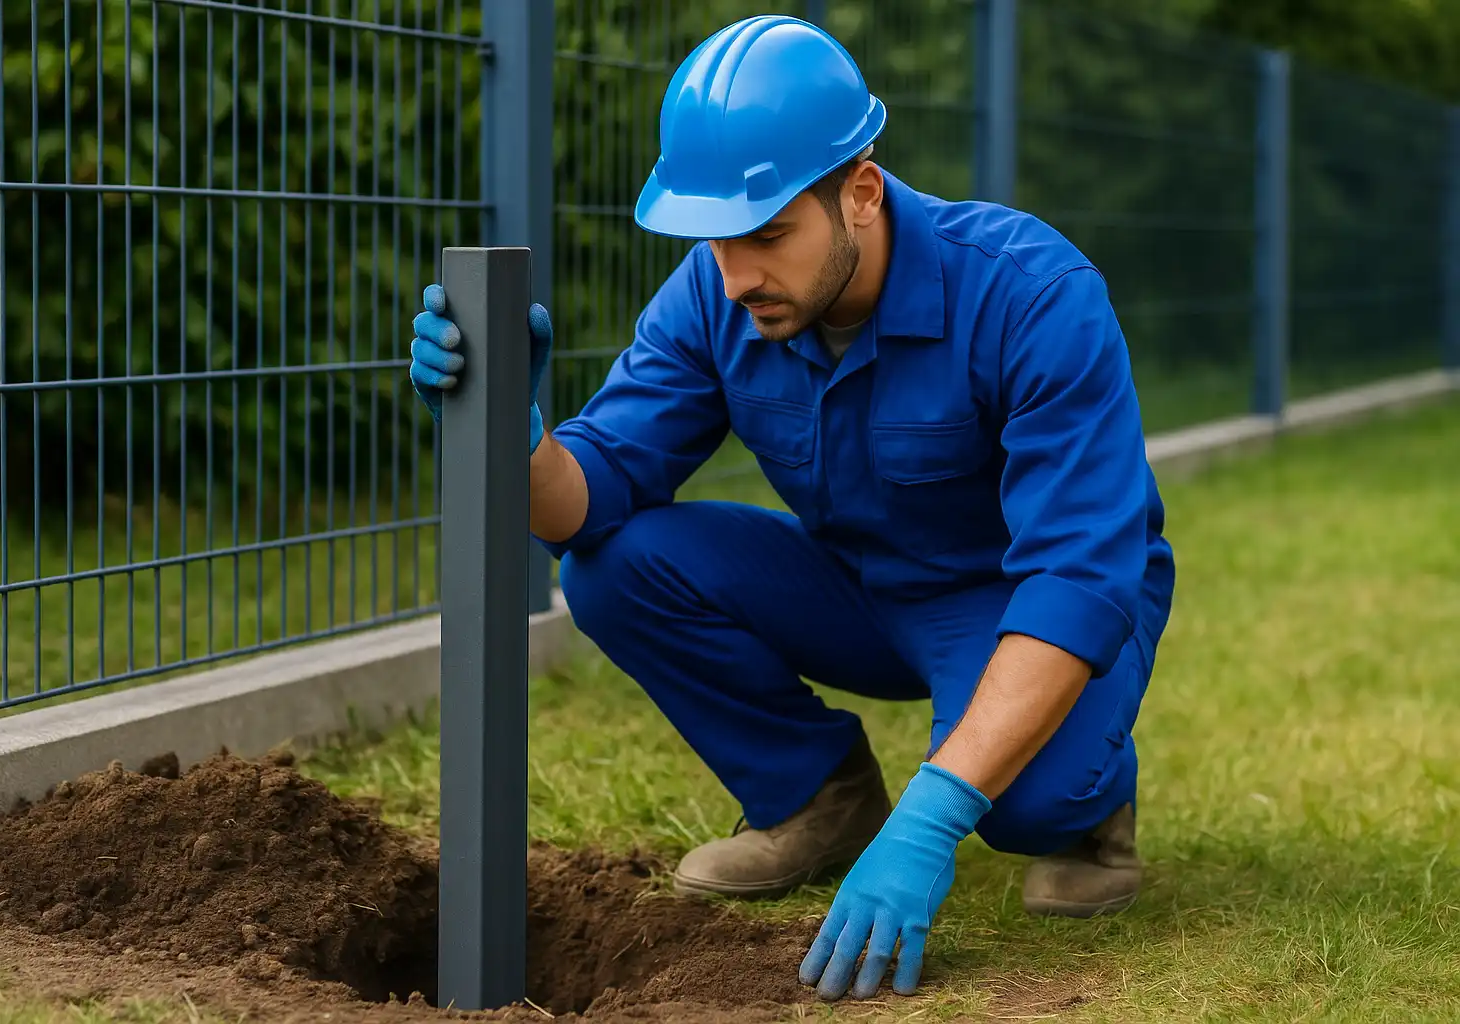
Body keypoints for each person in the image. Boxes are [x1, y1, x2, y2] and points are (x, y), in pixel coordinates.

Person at [409, 14, 1175, 1005]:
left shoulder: (1032, 296)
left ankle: (1089, 810)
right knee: (612, 563)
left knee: (1025, 801)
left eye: (767, 234)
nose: (736, 277)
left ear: (861, 192)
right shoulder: (719, 293)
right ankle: (816, 795)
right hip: (857, 588)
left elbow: (1078, 577)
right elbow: (581, 507)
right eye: (715, 240)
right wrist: (510, 435)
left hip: (1017, 604)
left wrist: (936, 816)